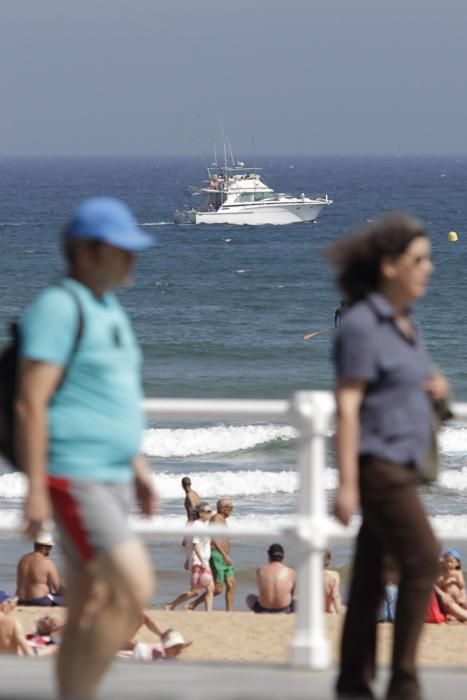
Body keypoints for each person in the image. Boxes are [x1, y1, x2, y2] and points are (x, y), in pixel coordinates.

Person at [16, 197, 157, 700]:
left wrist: (138, 466)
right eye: (124, 250)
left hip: (113, 473)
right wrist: (35, 489)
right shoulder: (59, 307)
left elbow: (110, 396)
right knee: (133, 587)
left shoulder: (107, 307)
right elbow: (31, 402)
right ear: (90, 251)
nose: (134, 260)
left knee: (91, 603)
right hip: (76, 475)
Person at [329, 213, 448, 700]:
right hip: (379, 468)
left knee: (370, 581)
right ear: (390, 265)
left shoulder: (405, 326)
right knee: (422, 559)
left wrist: (436, 393)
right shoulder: (361, 325)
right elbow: (348, 405)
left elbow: (406, 389)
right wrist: (348, 481)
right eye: (419, 260)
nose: (429, 269)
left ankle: (353, 682)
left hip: (404, 465)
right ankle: (404, 683)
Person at [188, 497, 236, 611]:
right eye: (230, 508)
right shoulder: (216, 519)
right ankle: (193, 605)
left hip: (225, 557)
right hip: (217, 556)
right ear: (223, 508)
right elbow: (213, 539)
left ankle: (230, 611)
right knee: (218, 589)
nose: (232, 510)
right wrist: (224, 555)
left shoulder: (223, 520)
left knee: (231, 585)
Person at [165, 503, 215, 611]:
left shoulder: (203, 525)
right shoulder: (197, 526)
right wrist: (202, 562)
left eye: (211, 511)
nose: (211, 514)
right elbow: (195, 545)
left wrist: (188, 560)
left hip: (202, 560)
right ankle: (171, 605)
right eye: (208, 512)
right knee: (195, 591)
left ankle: (209, 614)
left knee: (210, 588)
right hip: (199, 561)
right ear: (201, 513)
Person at [16, 532, 65, 606]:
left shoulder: (22, 559)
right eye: (50, 547)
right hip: (40, 600)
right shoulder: (47, 562)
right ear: (45, 547)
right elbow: (58, 588)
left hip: (21, 600)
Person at [246, 543, 296, 614]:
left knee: (249, 598)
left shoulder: (260, 571)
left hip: (263, 609)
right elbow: (291, 594)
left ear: (269, 556)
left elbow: (261, 591)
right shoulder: (291, 572)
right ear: (283, 557)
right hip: (284, 610)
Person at [323, 549, 343, 614]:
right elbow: (335, 596)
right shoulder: (334, 575)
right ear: (329, 560)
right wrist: (339, 613)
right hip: (328, 611)